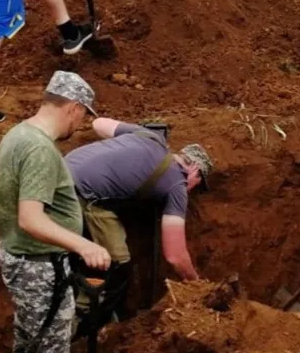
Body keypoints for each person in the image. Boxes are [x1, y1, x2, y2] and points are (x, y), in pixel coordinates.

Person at [0, 71, 112, 353]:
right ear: (73, 108)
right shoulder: (39, 149)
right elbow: (31, 218)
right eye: (84, 115)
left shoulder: (18, 134)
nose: (82, 123)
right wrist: (83, 245)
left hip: (25, 258)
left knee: (32, 340)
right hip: (38, 265)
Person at [63, 119, 213, 325]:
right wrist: (197, 285)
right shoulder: (178, 183)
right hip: (80, 193)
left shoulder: (149, 136)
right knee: (117, 262)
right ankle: (88, 322)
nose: (192, 188)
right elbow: (175, 256)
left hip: (58, 171)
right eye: (198, 184)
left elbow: (98, 123)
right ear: (195, 170)